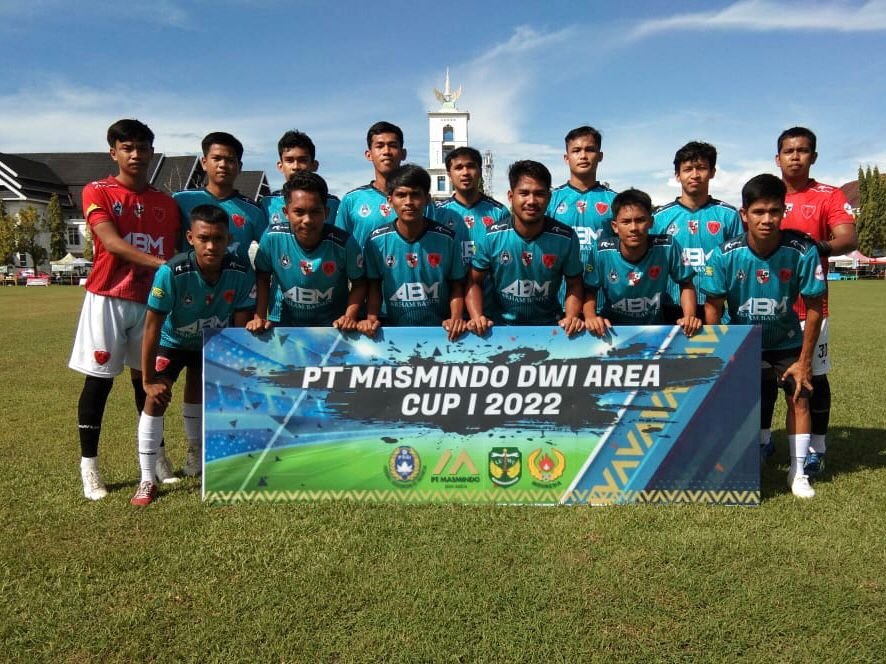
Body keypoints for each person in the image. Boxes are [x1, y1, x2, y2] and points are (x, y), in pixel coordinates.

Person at [68, 118, 181, 500]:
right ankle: (90, 468)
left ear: (152, 152)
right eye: (127, 148)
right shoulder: (97, 191)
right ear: (113, 152)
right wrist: (164, 265)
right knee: (99, 382)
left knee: (147, 382)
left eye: (142, 148)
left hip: (151, 302)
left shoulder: (166, 203)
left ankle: (157, 459)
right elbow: (112, 243)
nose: (135, 155)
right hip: (109, 297)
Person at [702, 173, 826, 498]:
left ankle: (798, 472)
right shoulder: (724, 254)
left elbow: (815, 307)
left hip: (786, 339)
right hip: (742, 340)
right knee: (735, 402)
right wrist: (721, 351)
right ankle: (736, 461)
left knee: (799, 395)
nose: (767, 219)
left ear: (783, 211)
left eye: (774, 211)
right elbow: (713, 306)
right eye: (758, 212)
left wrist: (804, 361)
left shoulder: (802, 250)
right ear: (744, 214)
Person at [132, 204, 256, 505]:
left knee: (198, 392)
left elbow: (239, 328)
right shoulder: (171, 272)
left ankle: (196, 454)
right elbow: (151, 327)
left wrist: (234, 370)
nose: (211, 246)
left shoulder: (241, 272)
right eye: (203, 238)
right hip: (173, 342)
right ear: (190, 238)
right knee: (156, 397)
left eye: (218, 238)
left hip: (209, 342)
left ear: (228, 239)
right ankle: (147, 478)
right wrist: (148, 379)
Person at [775, 127, 857, 475]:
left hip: (810, 307)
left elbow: (848, 239)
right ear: (777, 158)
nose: (795, 156)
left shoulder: (829, 196)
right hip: (768, 307)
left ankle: (816, 449)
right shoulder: (767, 194)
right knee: (764, 379)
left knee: (813, 377)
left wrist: (811, 248)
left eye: (802, 150)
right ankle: (763, 441)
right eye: (788, 151)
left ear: (814, 156)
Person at [466, 160, 583, 336]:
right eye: (524, 193)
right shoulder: (491, 236)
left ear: (549, 198)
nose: (531, 201)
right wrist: (477, 317)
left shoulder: (566, 237)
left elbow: (574, 284)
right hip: (499, 329)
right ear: (511, 196)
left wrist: (572, 317)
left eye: (539, 194)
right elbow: (473, 282)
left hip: (549, 328)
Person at [359, 165, 466, 341]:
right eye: (401, 195)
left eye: (415, 194)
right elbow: (374, 286)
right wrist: (371, 318)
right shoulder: (376, 241)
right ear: (390, 200)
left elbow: (456, 286)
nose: (408, 202)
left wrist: (456, 318)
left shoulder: (447, 238)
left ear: (427, 199)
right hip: (392, 332)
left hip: (441, 332)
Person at [248, 172, 364, 330]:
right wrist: (260, 317)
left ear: (326, 213)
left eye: (315, 212)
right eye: (299, 212)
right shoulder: (272, 238)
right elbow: (262, 277)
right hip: (285, 323)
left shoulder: (345, 243)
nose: (307, 220)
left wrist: (349, 316)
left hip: (333, 327)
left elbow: (359, 283)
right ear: (286, 213)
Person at [584, 188, 701, 338]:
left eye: (640, 220)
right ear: (615, 226)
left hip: (655, 332)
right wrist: (590, 317)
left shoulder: (667, 246)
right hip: (611, 332)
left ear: (651, 222)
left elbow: (686, 283)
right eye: (626, 222)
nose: (633, 228)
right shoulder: (601, 251)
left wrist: (689, 316)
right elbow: (589, 290)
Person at [652, 141, 741, 321]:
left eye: (701, 168)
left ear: (712, 172)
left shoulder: (729, 215)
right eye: (687, 169)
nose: (695, 175)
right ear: (677, 175)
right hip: (671, 305)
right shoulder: (660, 217)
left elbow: (738, 264)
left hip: (715, 305)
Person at [260, 130, 341, 323]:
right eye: (289, 160)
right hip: (281, 309)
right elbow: (262, 260)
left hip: (327, 308)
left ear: (314, 165)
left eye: (303, 160)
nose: (296, 166)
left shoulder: (333, 204)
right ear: (280, 165)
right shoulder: (266, 204)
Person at [334, 121, 435, 248]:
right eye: (379, 146)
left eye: (393, 145)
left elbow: (433, 242)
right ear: (369, 154)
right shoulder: (352, 200)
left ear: (403, 153)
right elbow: (338, 247)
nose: (386, 151)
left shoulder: (420, 200)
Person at [173, 132, 267, 265]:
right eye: (216, 158)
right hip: (190, 278)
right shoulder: (180, 200)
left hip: (238, 278)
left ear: (239, 167)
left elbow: (270, 251)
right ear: (204, 163)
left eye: (230, 160)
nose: (223, 164)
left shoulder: (254, 211)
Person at [437, 146, 510, 258]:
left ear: (480, 172)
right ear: (449, 175)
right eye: (458, 168)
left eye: (470, 166)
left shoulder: (500, 212)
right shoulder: (438, 212)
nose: (465, 172)